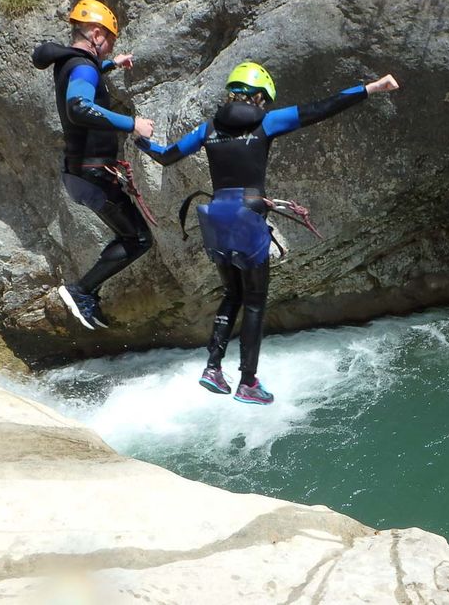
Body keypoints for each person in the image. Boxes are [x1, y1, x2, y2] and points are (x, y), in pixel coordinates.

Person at [136, 62, 399, 405]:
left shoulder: (207, 129)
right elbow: (320, 108)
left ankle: (213, 368)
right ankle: (248, 382)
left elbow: (165, 156)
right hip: (247, 215)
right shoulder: (267, 121)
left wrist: (140, 140)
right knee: (255, 302)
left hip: (216, 215)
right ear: (260, 96)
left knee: (232, 293)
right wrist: (370, 89)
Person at [32, 0, 155, 330]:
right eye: (110, 41)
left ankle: (87, 292)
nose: (109, 47)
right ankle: (81, 291)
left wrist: (112, 63)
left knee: (129, 236)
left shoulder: (72, 63)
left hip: (81, 172)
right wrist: (132, 124)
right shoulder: (84, 67)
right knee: (139, 240)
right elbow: (79, 106)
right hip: (93, 174)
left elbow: (85, 78)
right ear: (97, 34)